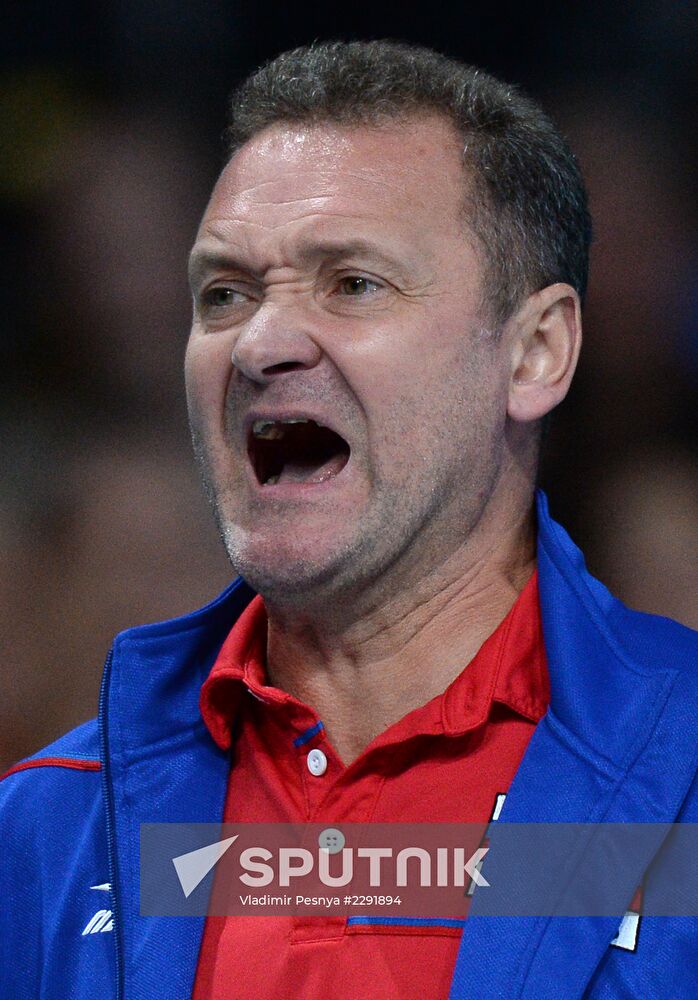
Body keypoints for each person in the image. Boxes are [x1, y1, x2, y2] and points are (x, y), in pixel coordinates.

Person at [1, 40, 697, 1000]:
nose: (260, 342)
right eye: (224, 294)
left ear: (536, 352)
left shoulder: (685, 786)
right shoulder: (47, 825)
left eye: (353, 283)